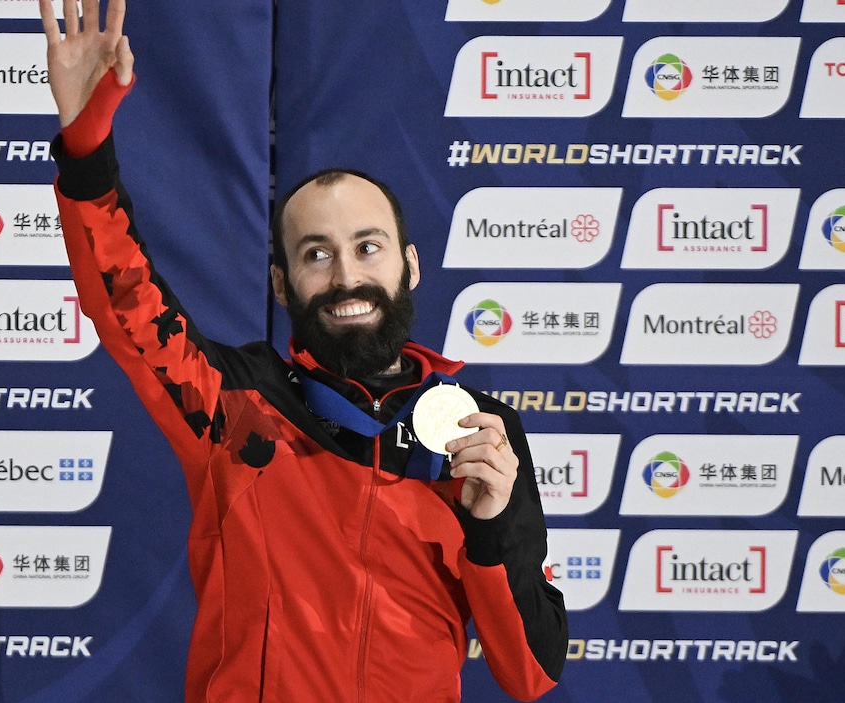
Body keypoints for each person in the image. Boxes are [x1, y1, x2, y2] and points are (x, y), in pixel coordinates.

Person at [40, 0, 568, 700]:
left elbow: (531, 672)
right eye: (316, 254)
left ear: (409, 266)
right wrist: (87, 145)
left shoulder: (479, 433)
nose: (346, 277)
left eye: (367, 248)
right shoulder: (236, 407)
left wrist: (493, 525)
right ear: (283, 285)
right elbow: (125, 300)